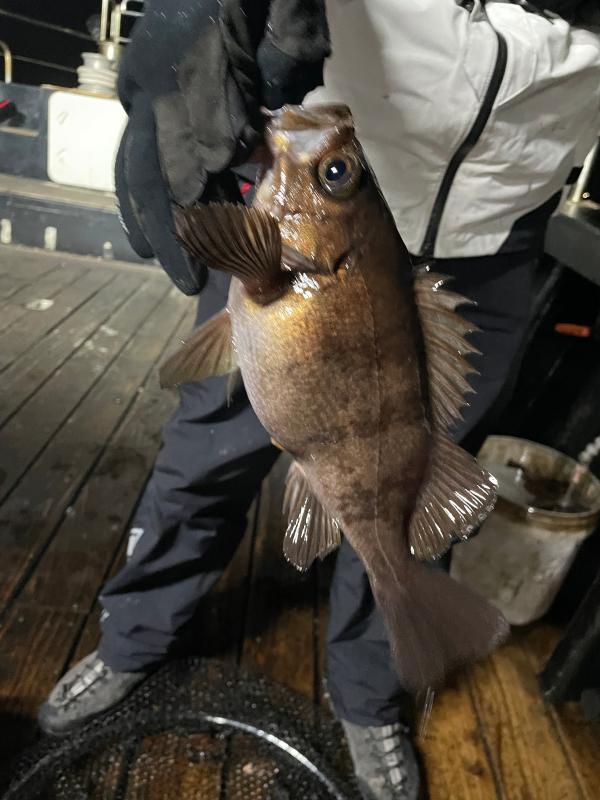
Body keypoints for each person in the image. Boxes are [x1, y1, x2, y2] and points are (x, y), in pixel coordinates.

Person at [39, 2, 600, 799]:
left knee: (409, 489)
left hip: (495, 227)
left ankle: (369, 694)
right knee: (204, 456)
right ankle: (133, 637)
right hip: (330, 218)